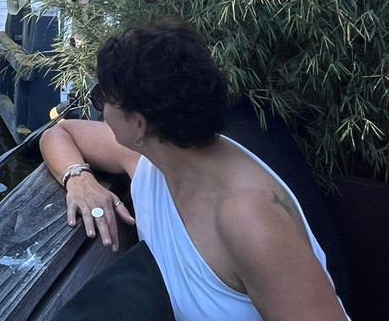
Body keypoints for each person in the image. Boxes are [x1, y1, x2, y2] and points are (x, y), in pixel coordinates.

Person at [40, 17, 348, 321]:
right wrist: (79, 177)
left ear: (138, 123)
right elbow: (59, 134)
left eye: (102, 98)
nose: (100, 109)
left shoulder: (248, 216)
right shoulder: (153, 159)